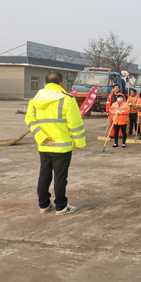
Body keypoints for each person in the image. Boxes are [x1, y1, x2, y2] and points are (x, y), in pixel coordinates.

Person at [25, 71, 86, 215]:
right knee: (60, 177)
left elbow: (30, 120)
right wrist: (79, 142)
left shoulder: (35, 99)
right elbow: (74, 124)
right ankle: (61, 206)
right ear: (60, 83)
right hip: (62, 147)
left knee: (44, 175)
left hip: (44, 145)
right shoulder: (67, 99)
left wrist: (42, 137)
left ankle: (44, 204)